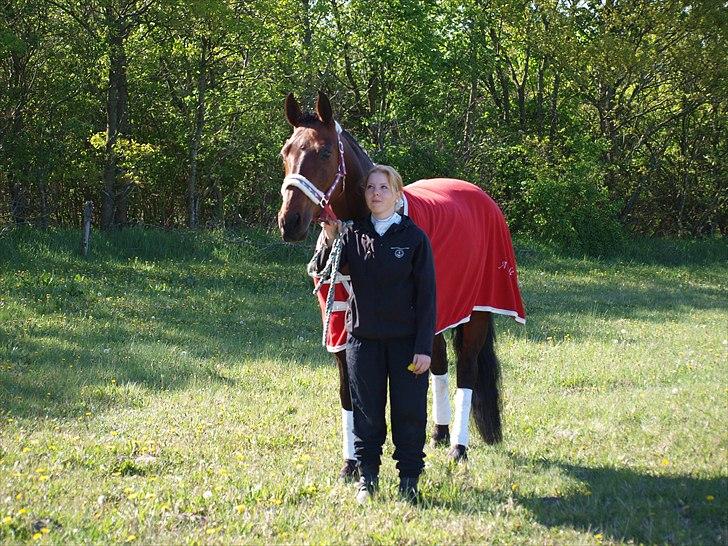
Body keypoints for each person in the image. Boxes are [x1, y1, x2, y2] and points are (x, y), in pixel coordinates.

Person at [311, 164, 436, 503]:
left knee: (409, 414)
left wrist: (424, 347)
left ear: (398, 194)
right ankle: (368, 478)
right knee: (367, 413)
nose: (376, 193)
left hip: (406, 343)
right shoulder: (353, 235)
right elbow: (326, 270)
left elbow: (427, 299)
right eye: (370, 188)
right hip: (362, 341)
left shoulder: (414, 239)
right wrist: (331, 236)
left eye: (383, 188)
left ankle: (409, 482)